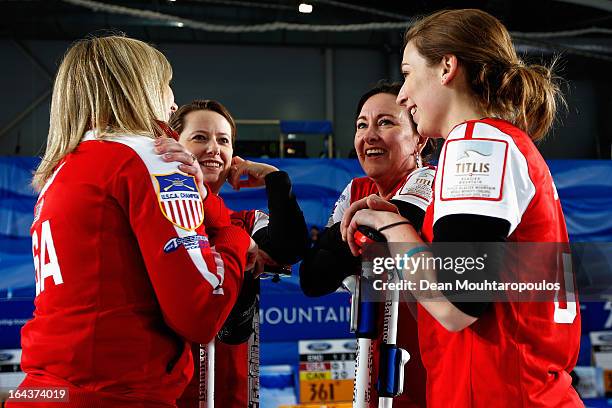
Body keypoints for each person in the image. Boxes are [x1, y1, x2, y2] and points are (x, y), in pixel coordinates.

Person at [341, 9, 581, 407]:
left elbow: (456, 304)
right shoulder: (502, 143)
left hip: (498, 393)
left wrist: (388, 224)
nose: (403, 94)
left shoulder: (476, 142)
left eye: (408, 73)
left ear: (447, 67)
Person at [10, 35, 255, 408]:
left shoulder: (61, 170)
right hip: (115, 394)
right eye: (165, 85)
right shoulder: (151, 157)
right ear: (138, 88)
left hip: (44, 390)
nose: (172, 100)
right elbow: (201, 310)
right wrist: (237, 237)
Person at [300, 81, 436, 407]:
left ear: (420, 139)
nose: (369, 135)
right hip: (374, 353)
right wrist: (360, 233)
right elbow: (314, 277)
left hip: (430, 355)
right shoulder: (355, 189)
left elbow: (377, 239)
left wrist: (348, 238)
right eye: (362, 125)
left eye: (386, 122)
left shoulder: (430, 180)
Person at [166, 99, 308, 408]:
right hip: (168, 396)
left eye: (223, 140)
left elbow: (291, 247)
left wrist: (274, 177)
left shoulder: (243, 222)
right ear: (174, 145)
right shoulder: (158, 217)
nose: (214, 148)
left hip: (235, 396)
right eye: (200, 137)